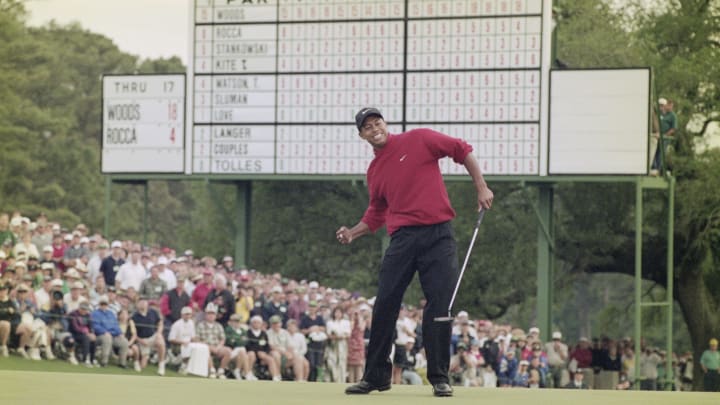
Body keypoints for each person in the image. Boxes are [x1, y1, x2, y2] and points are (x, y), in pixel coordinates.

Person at [338, 107, 493, 397]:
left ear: (385, 123)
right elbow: (377, 212)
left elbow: (462, 150)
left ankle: (439, 377)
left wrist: (481, 187)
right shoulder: (374, 171)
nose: (375, 129)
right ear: (361, 135)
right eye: (367, 127)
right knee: (384, 302)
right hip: (403, 239)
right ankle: (376, 377)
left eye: (377, 122)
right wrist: (353, 232)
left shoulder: (419, 139)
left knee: (439, 305)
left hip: (439, 234)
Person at [91, 295, 129, 368]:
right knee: (107, 339)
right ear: (99, 304)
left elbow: (116, 325)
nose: (103, 305)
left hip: (113, 335)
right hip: (100, 335)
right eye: (102, 304)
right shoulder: (95, 313)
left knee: (124, 341)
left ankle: (122, 363)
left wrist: (120, 333)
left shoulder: (111, 314)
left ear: (107, 305)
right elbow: (95, 326)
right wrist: (104, 332)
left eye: (105, 304)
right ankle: (104, 362)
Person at [131, 299, 166, 375]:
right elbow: (133, 333)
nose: (143, 304)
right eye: (141, 302)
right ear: (138, 304)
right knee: (143, 366)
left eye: (144, 302)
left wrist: (159, 333)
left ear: (147, 304)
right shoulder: (134, 316)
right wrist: (140, 340)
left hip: (153, 337)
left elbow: (160, 323)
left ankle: (161, 366)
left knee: (161, 342)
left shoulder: (153, 312)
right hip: (142, 340)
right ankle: (146, 356)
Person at [651, 98, 678, 174]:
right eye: (669, 105)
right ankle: (653, 168)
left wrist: (665, 135)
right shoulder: (660, 113)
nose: (670, 107)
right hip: (657, 136)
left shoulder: (672, 115)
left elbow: (674, 128)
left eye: (672, 106)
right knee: (654, 152)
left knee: (660, 154)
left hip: (664, 139)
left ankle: (657, 170)